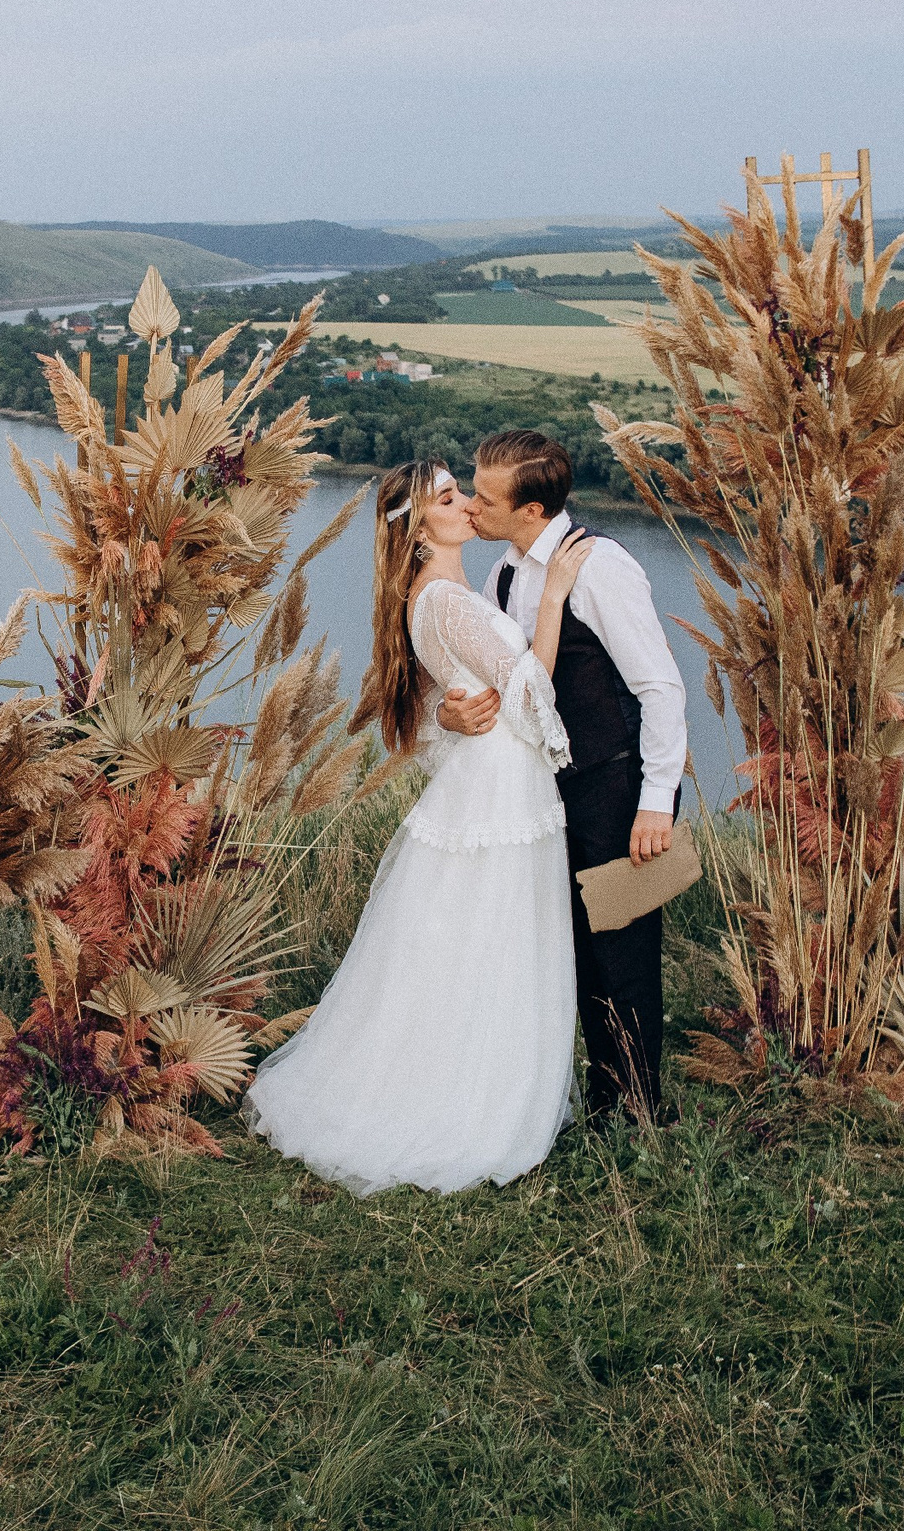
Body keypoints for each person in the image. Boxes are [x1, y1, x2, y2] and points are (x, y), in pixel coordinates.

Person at [246, 459, 597, 1194]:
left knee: (473, 939)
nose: (467, 503)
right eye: (447, 497)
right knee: (495, 937)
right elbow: (530, 685)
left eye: (460, 490)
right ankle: (470, 1103)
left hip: (488, 777)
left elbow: (434, 711)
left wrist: (450, 714)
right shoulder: (446, 601)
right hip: (500, 790)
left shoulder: (436, 596)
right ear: (417, 531)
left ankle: (471, 1079)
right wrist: (555, 597)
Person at [441, 430, 687, 1124]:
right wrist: (452, 712)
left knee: (623, 952)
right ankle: (603, 1095)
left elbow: (661, 689)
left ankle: (639, 1113)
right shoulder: (507, 576)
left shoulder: (602, 566)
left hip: (617, 787)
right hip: (553, 792)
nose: (471, 506)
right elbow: (501, 683)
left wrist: (656, 802)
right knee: (575, 948)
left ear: (532, 510)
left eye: (485, 497)